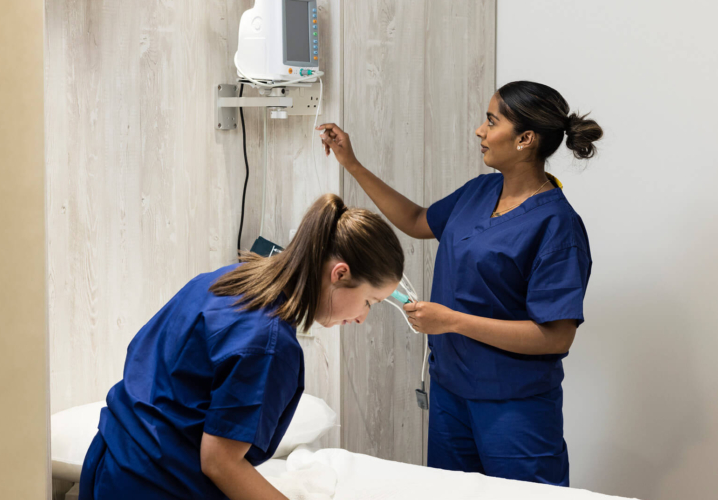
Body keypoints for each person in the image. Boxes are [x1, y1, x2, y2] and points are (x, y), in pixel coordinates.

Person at [318, 81, 602, 486]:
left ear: (525, 139)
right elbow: (418, 221)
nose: (479, 131)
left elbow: (556, 338)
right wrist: (353, 164)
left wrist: (453, 322)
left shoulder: (557, 226)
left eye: (491, 121)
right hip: (451, 393)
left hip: (513, 407)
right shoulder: (481, 190)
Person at [79, 193, 405, 500]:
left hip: (110, 464)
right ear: (339, 273)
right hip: (156, 485)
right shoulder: (269, 342)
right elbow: (220, 462)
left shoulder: (228, 279)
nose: (362, 318)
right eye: (369, 301)